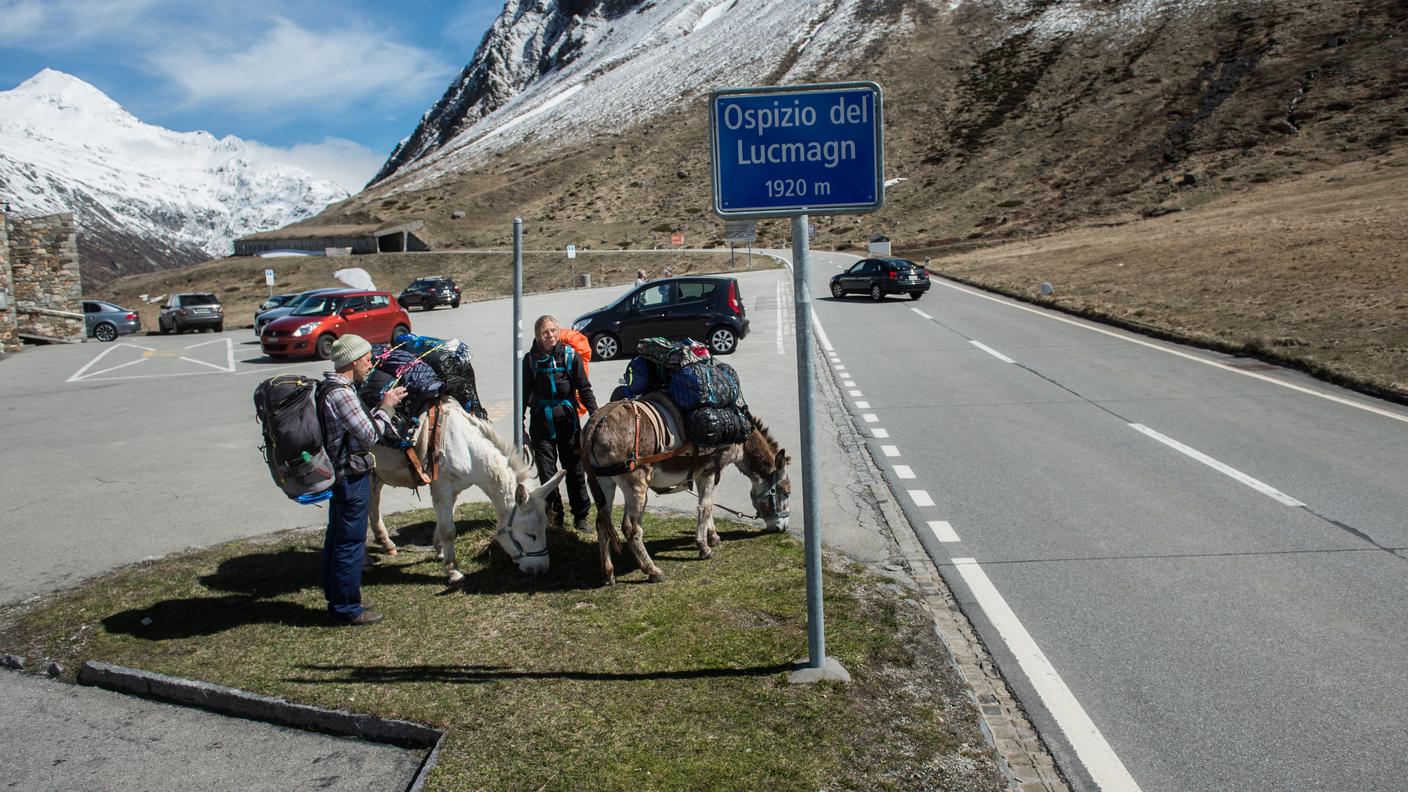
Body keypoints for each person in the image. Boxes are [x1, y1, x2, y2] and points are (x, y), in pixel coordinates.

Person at [320, 334, 406, 626]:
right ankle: (346, 609)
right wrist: (387, 406)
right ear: (354, 361)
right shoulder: (342, 394)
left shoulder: (329, 388)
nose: (370, 365)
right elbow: (369, 434)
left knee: (337, 539)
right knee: (351, 543)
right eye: (367, 359)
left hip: (338, 475)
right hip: (350, 477)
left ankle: (338, 598)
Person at [522, 315, 598, 532]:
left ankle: (581, 517)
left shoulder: (569, 356)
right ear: (538, 336)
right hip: (541, 426)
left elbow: (584, 388)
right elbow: (524, 393)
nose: (551, 335)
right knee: (547, 474)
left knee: (575, 470)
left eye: (553, 330)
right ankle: (555, 516)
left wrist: (595, 415)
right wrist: (520, 425)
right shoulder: (530, 360)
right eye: (545, 332)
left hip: (568, 423)